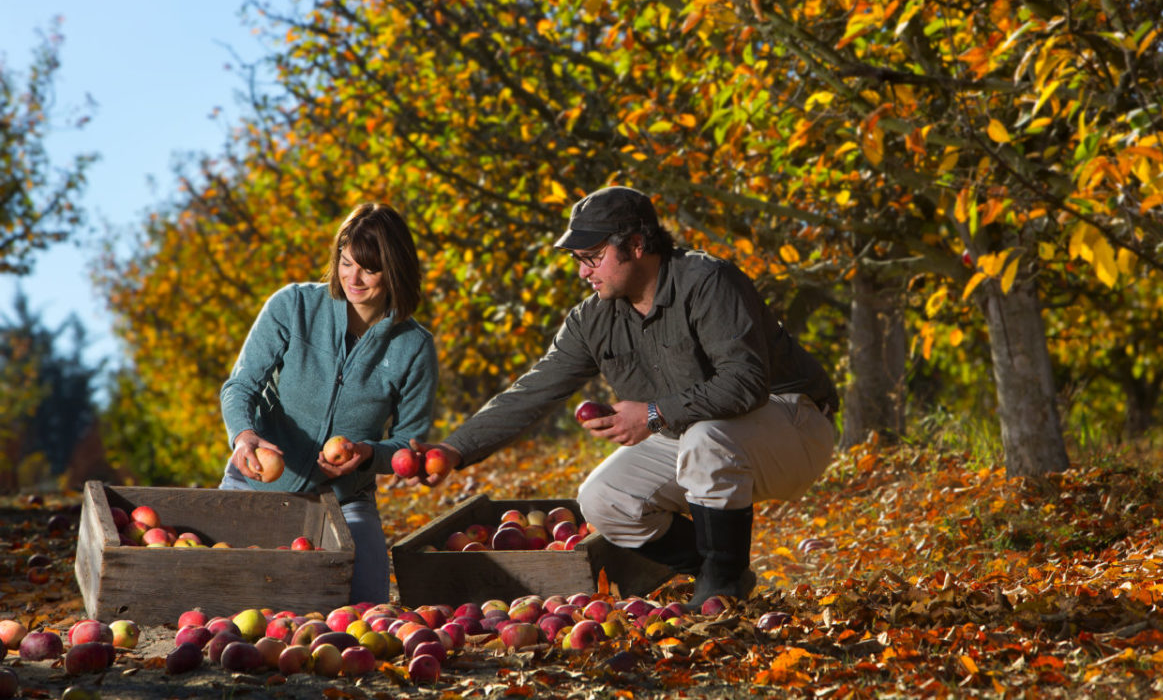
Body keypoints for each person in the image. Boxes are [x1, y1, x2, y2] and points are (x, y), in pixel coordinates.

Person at [416, 186, 837, 608]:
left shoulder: (708, 281)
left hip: (792, 425)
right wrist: (455, 448)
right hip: (695, 437)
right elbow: (534, 390)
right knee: (604, 498)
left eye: (592, 257)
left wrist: (654, 413)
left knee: (705, 438)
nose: (583, 272)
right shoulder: (593, 319)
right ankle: (719, 571)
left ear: (636, 245)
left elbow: (745, 382)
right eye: (578, 260)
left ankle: (720, 589)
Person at [219, 202, 437, 604]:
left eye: (369, 269)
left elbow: (410, 443)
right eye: (346, 261)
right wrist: (243, 436)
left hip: (344, 500)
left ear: (395, 271)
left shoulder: (413, 346)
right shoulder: (294, 306)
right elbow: (241, 386)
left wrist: (368, 454)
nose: (353, 278)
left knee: (368, 605)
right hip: (256, 483)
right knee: (222, 600)